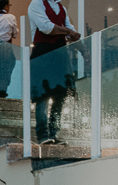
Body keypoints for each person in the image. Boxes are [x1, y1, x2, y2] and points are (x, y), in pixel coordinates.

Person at [28, 0, 80, 144]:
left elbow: (69, 29)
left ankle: (54, 134)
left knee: (60, 96)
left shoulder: (61, 8)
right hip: (43, 54)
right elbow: (46, 27)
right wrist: (69, 32)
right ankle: (43, 135)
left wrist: (73, 35)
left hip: (60, 56)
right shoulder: (36, 3)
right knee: (42, 96)